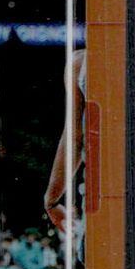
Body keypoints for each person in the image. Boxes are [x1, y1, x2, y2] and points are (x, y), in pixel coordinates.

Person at [43, 49, 86, 243]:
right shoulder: (81, 62)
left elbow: (74, 137)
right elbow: (74, 137)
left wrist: (52, 201)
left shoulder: (82, 62)